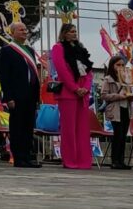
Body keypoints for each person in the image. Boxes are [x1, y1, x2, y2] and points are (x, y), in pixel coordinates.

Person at [51, 23, 94, 169]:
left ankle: (83, 160)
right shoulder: (58, 48)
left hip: (83, 95)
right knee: (69, 129)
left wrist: (86, 89)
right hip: (68, 94)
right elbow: (62, 71)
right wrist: (75, 88)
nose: (74, 33)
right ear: (64, 34)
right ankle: (70, 160)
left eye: (75, 31)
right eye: (71, 31)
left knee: (82, 129)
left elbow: (89, 72)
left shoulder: (81, 49)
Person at [0, 22, 41, 168]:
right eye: (21, 29)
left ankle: (28, 156)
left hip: (30, 95)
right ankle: (19, 157)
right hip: (16, 96)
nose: (24, 31)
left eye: (25, 29)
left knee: (28, 128)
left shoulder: (29, 50)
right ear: (12, 32)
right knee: (17, 127)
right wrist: (8, 97)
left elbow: (34, 73)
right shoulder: (7, 50)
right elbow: (4, 76)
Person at [100, 55, 133, 170]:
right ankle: (115, 160)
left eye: (122, 65)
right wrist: (118, 96)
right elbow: (104, 95)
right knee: (118, 135)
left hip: (126, 108)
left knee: (123, 135)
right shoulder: (108, 79)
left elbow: (129, 92)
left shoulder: (126, 78)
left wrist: (131, 96)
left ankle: (121, 160)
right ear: (112, 65)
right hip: (115, 109)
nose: (120, 67)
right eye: (118, 65)